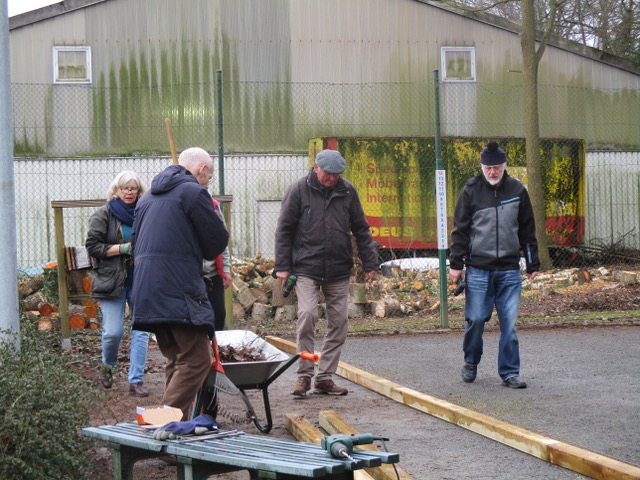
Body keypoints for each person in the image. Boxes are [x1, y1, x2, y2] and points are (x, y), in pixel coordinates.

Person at [131, 147, 229, 420]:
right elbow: (215, 243)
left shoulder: (147, 198)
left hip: (147, 289)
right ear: (201, 170)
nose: (209, 180)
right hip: (177, 288)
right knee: (197, 360)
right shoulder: (195, 193)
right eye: (209, 174)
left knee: (177, 360)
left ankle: (172, 432)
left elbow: (135, 244)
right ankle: (160, 425)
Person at [274, 149, 377, 397]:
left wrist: (371, 264)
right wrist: (283, 266)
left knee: (339, 323)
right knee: (307, 314)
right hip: (306, 267)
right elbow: (284, 229)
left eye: (336, 175)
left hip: (339, 268)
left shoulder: (347, 191)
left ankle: (325, 377)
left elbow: (361, 229)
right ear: (315, 167)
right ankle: (304, 375)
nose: (332, 178)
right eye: (328, 174)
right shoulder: (298, 189)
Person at [448, 141, 540, 389]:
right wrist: (456, 264)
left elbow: (528, 230)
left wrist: (532, 263)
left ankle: (510, 372)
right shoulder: (470, 191)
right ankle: (471, 361)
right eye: (488, 168)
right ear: (482, 167)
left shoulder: (518, 190)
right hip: (478, 269)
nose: (492, 172)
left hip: (509, 270)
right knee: (476, 320)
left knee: (509, 325)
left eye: (496, 167)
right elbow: (461, 232)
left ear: (504, 166)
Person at [85, 170, 150, 397]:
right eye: (125, 188)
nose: (129, 192)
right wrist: (122, 249)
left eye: (133, 188)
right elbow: (93, 247)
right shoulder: (104, 214)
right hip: (112, 281)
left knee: (141, 330)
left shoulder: (145, 213)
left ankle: (136, 380)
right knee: (113, 333)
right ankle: (108, 365)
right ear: (117, 190)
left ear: (139, 191)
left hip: (140, 280)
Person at [202, 197, 232, 332]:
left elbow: (222, 238)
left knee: (219, 315)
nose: (209, 181)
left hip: (214, 274)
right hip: (193, 275)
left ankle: (217, 351)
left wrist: (226, 269)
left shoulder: (214, 205)